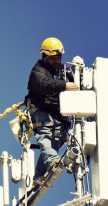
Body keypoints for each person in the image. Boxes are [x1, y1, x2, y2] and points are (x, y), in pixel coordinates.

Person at [26, 37, 79, 182]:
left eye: (58, 58)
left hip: (57, 115)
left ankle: (39, 176)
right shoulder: (37, 71)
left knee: (54, 142)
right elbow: (44, 84)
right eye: (52, 58)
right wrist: (64, 85)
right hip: (41, 111)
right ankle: (52, 161)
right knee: (46, 136)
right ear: (44, 57)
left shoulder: (63, 72)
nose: (56, 61)